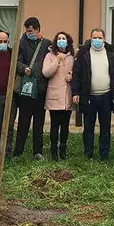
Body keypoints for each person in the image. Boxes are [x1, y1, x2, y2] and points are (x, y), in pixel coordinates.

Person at [71, 28, 114, 159]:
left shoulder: (111, 53)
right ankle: (88, 153)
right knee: (88, 126)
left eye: (99, 37)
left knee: (105, 126)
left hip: (106, 96)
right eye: (94, 37)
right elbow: (77, 75)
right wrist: (75, 92)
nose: (97, 40)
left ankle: (104, 154)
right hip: (89, 96)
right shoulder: (83, 54)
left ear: (104, 39)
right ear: (90, 38)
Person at [13, 17, 52, 160]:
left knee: (39, 122)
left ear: (37, 29)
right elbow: (17, 62)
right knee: (23, 121)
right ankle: (18, 152)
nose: (28, 33)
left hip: (41, 88)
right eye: (27, 30)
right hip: (27, 88)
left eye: (31, 30)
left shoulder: (47, 43)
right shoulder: (21, 44)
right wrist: (24, 69)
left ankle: (38, 151)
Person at [42, 32, 76, 160]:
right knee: (55, 125)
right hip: (54, 95)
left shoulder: (72, 56)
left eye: (64, 39)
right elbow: (46, 72)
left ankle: (63, 150)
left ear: (68, 41)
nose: (62, 41)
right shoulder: (50, 56)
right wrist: (57, 60)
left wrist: (71, 75)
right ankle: (54, 152)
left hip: (67, 95)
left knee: (65, 125)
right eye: (59, 39)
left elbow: (76, 71)